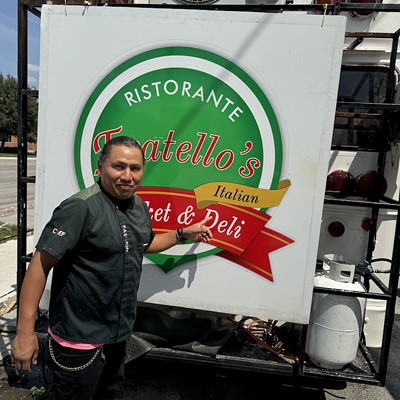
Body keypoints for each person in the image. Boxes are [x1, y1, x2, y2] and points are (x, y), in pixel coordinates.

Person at [11, 135, 213, 400]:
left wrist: (182, 234)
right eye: (118, 166)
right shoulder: (80, 208)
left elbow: (145, 242)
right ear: (100, 167)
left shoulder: (138, 206)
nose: (127, 175)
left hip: (116, 337)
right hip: (77, 340)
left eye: (135, 168)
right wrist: (25, 333)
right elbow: (40, 265)